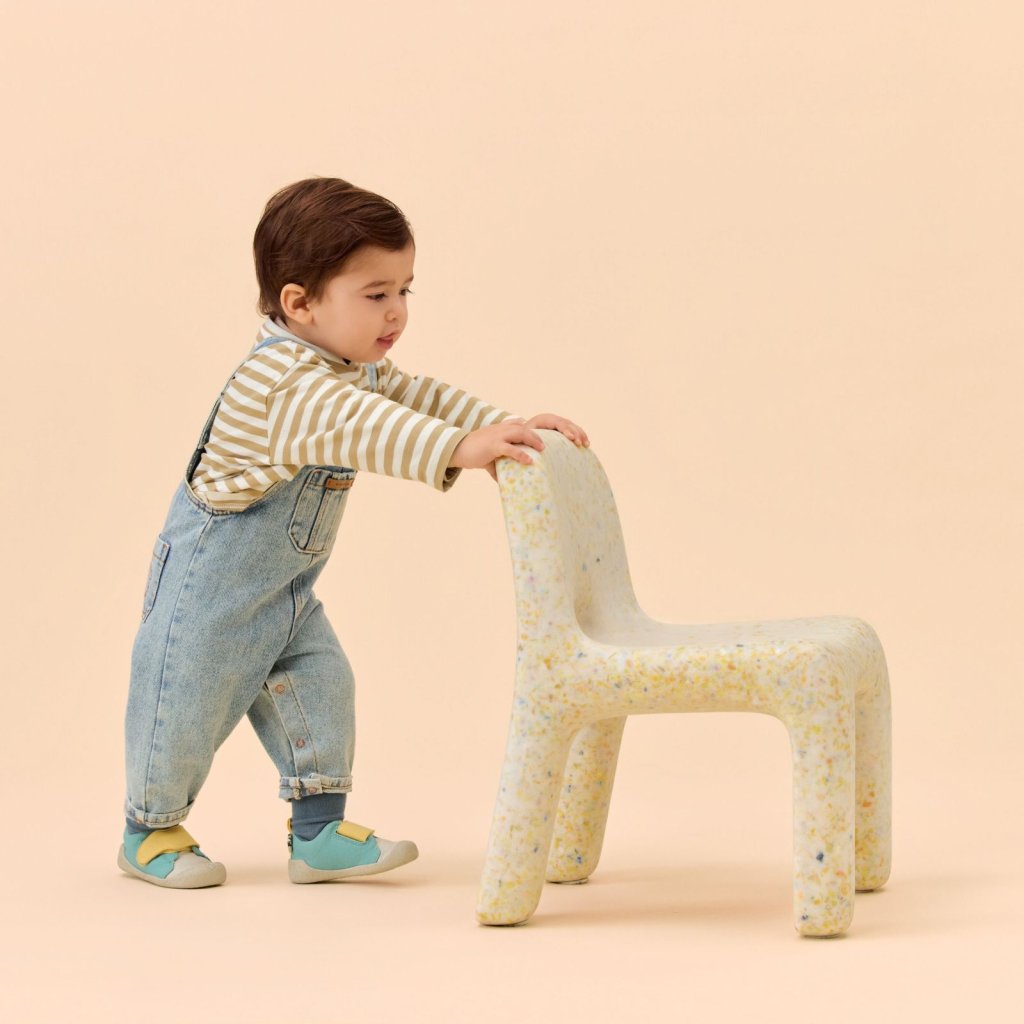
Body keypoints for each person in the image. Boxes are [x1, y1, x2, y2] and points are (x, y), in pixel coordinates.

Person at [118, 176, 590, 888]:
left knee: (323, 687)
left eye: (404, 289)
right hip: (207, 591)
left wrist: (502, 426)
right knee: (182, 701)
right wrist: (460, 450)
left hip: (285, 590)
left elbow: (417, 398)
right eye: (375, 294)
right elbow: (369, 427)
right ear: (300, 303)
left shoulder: (347, 367)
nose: (397, 311)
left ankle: (317, 832)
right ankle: (148, 828)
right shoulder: (284, 383)